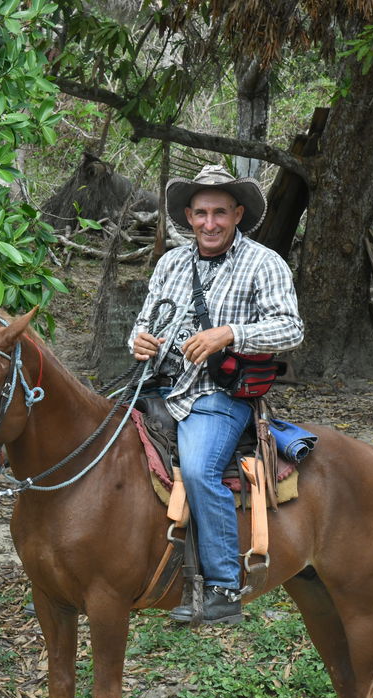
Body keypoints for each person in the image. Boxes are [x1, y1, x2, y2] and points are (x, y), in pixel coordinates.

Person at [128, 164, 303, 625]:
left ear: (238, 213)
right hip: (159, 387)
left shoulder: (265, 263)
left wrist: (228, 334)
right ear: (188, 215)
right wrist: (140, 340)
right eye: (201, 213)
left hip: (218, 393)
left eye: (220, 213)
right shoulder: (170, 263)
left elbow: (290, 327)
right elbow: (145, 321)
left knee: (201, 467)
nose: (209, 223)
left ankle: (225, 586)